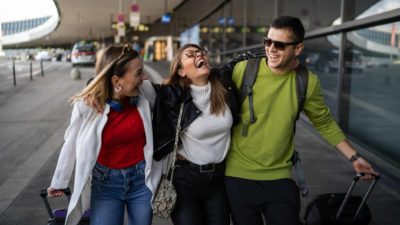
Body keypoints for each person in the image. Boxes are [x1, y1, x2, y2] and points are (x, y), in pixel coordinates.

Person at [223, 16, 379, 225]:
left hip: (280, 176)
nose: (271, 49)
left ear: (298, 49)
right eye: (268, 42)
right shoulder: (244, 70)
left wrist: (354, 158)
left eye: (279, 44)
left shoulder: (306, 81)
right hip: (238, 175)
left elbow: (323, 121)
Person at [47, 44, 162, 225]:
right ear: (117, 81)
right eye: (138, 72)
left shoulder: (145, 92)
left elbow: (173, 94)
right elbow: (71, 142)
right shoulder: (87, 105)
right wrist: (60, 181)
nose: (144, 77)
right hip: (106, 184)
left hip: (141, 181)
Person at [152, 43, 240, 225]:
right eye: (191, 54)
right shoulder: (173, 96)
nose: (199, 55)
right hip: (186, 180)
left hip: (218, 181)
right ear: (182, 71)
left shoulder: (225, 89)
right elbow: (136, 87)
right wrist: (96, 86)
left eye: (201, 53)